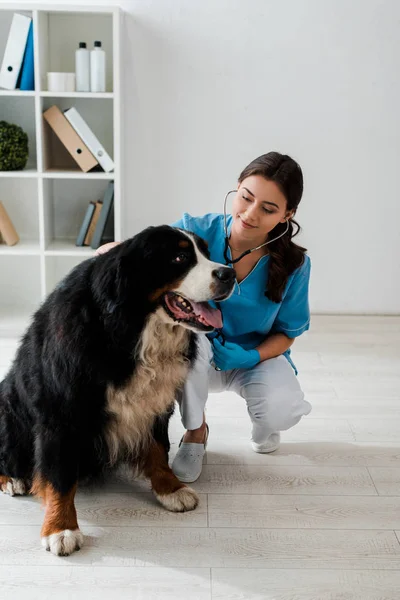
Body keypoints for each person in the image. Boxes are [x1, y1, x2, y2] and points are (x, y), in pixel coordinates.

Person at [97, 151, 312, 483]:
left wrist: (250, 355)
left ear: (287, 214)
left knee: (280, 409)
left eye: (268, 209)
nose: (250, 214)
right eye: (246, 198)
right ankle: (196, 434)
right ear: (236, 188)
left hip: (255, 358)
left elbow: (288, 331)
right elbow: (154, 251)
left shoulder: (295, 265)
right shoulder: (195, 231)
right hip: (199, 358)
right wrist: (117, 250)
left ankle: (264, 424)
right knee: (191, 345)